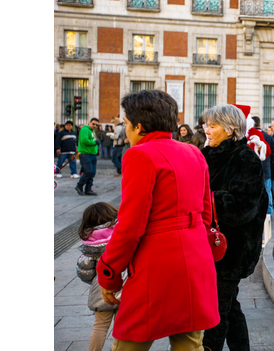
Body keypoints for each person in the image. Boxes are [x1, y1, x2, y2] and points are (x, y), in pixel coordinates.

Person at [96, 89, 219, 350]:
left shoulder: (140, 154)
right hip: (196, 258)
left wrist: (109, 271)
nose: (125, 131)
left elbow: (130, 226)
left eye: (126, 124)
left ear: (139, 127)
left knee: (130, 342)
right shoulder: (194, 153)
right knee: (189, 343)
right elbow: (207, 213)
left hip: (157, 263)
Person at [201, 104, 269, 351]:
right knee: (230, 306)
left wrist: (206, 196)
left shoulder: (245, 158)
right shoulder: (206, 153)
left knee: (216, 312)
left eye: (213, 125)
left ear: (230, 129)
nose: (206, 129)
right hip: (206, 245)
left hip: (233, 250)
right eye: (206, 124)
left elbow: (243, 208)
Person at [76, 202, 123, 351]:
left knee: (100, 326)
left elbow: (85, 271)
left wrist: (97, 279)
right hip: (125, 286)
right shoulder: (122, 235)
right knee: (122, 326)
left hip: (101, 287)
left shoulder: (89, 244)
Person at [253, 116, 274, 216]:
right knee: (267, 190)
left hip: (253, 168)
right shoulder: (268, 137)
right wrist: (269, 162)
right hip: (266, 167)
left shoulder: (248, 136)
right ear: (259, 124)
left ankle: (257, 211)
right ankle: (269, 211)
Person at [76, 118, 101, 196]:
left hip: (92, 154)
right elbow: (84, 140)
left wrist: (96, 150)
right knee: (88, 171)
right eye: (93, 124)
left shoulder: (92, 131)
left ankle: (88, 189)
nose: (95, 126)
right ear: (89, 122)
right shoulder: (85, 129)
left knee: (92, 173)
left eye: (96, 125)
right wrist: (94, 143)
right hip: (85, 154)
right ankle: (79, 186)